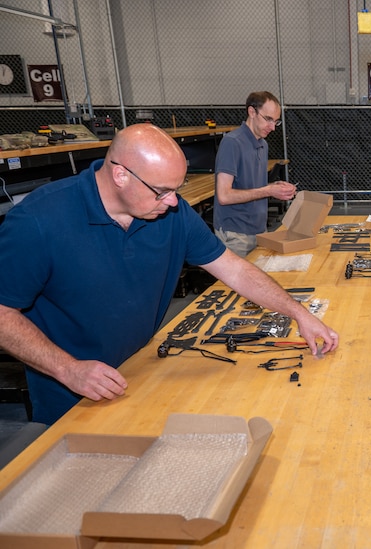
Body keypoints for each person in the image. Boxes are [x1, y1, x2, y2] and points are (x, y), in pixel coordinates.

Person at [0, 124, 339, 425]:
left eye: (177, 188)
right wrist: (67, 369)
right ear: (121, 175)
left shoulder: (169, 213)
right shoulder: (40, 222)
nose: (174, 202)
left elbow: (233, 269)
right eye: (161, 190)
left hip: (141, 371)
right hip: (72, 392)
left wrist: (296, 312)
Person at [213, 91, 297, 256]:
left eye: (276, 122)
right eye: (268, 119)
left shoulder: (262, 144)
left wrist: (274, 187)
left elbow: (252, 187)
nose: (273, 127)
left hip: (259, 229)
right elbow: (224, 196)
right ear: (252, 112)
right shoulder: (232, 142)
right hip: (236, 234)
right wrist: (268, 191)